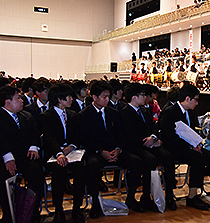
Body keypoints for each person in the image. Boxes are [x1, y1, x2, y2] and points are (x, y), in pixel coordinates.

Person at [160, 84, 210, 210]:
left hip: (190, 146)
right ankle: (192, 196)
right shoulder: (170, 112)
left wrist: (197, 143)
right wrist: (191, 145)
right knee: (197, 158)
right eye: (196, 99)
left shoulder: (191, 112)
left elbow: (192, 132)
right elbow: (169, 136)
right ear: (188, 98)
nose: (197, 103)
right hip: (174, 148)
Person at [78, 80, 144, 218]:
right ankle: (95, 202)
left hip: (115, 150)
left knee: (136, 161)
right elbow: (86, 139)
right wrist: (102, 152)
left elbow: (121, 134)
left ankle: (131, 197)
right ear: (94, 97)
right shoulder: (84, 115)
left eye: (108, 96)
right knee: (92, 165)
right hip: (97, 152)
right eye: (104, 97)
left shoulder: (114, 113)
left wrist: (118, 149)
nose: (107, 99)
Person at [119, 83, 177, 211]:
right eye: (143, 95)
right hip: (135, 146)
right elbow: (131, 135)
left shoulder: (145, 110)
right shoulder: (125, 112)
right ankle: (143, 196)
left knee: (168, 157)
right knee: (148, 160)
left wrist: (154, 138)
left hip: (150, 143)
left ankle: (169, 194)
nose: (145, 97)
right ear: (134, 97)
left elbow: (154, 127)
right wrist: (148, 142)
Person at [37, 83, 85, 223]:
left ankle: (77, 208)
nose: (72, 99)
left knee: (80, 169)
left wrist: (71, 147)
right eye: (69, 97)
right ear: (59, 99)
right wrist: (59, 154)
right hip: (54, 154)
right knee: (59, 171)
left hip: (71, 152)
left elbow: (77, 136)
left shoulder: (73, 115)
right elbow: (49, 138)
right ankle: (58, 210)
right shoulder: (45, 116)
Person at [0, 86, 44, 223]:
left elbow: (35, 135)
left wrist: (33, 148)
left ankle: (33, 211)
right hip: (5, 156)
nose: (21, 101)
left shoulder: (26, 115)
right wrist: (8, 158)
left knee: (36, 171)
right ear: (7, 102)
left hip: (25, 155)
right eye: (18, 98)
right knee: (3, 176)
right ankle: (9, 214)